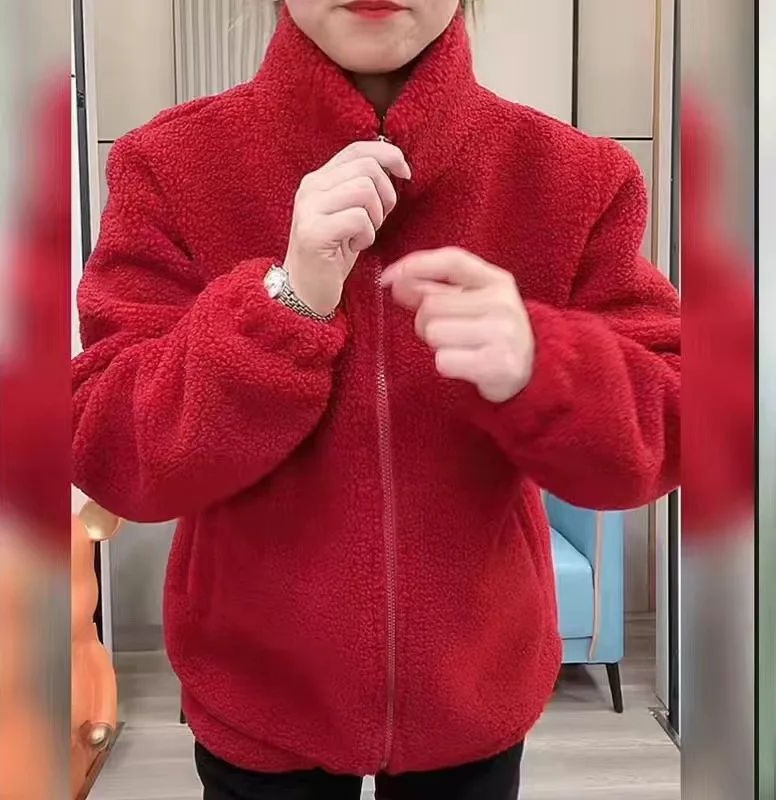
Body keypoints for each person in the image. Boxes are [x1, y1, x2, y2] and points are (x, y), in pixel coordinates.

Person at [72, 2, 680, 798]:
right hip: (255, 700)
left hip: (475, 697)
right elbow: (111, 449)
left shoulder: (572, 177)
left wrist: (548, 365)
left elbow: (674, 425)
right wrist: (284, 304)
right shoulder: (171, 165)